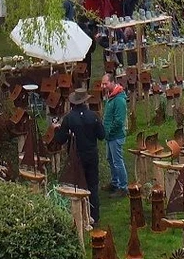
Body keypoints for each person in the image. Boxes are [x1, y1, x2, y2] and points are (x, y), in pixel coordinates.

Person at [53, 90, 106, 224]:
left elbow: (60, 140)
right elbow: (102, 135)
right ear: (85, 101)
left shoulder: (69, 118)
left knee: (78, 186)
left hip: (76, 157)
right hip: (91, 155)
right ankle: (95, 217)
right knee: (92, 186)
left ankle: (81, 217)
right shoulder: (93, 116)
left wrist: (56, 129)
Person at [100, 74, 129, 198]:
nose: (103, 86)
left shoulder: (119, 100)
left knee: (117, 162)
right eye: (102, 83)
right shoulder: (111, 96)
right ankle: (115, 182)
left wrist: (109, 131)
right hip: (110, 136)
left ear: (112, 82)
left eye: (105, 84)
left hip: (116, 136)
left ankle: (123, 187)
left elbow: (118, 121)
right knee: (110, 159)